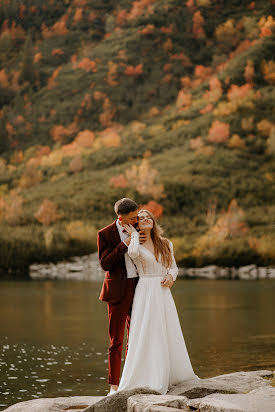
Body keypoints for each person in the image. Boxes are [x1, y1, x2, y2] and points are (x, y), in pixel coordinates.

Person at [117, 209, 199, 395]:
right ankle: (151, 376)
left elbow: (174, 267)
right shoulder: (135, 243)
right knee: (149, 331)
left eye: (149, 217)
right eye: (141, 218)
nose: (146, 219)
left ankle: (173, 374)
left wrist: (171, 276)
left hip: (163, 292)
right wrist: (134, 236)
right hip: (146, 291)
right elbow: (134, 253)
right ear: (136, 224)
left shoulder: (165, 243)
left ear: (153, 222)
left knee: (168, 330)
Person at [97, 198, 146, 396]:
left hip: (140, 287)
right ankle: (114, 386)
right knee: (116, 340)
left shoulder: (141, 228)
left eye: (137, 216)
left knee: (136, 337)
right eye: (133, 218)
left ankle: (131, 379)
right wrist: (124, 244)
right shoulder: (105, 234)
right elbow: (105, 264)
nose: (137, 220)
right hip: (117, 291)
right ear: (121, 218)